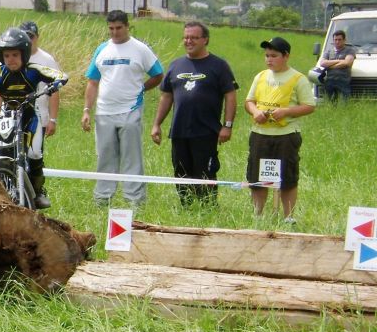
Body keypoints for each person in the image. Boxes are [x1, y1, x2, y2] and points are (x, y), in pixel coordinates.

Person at [0, 27, 68, 209]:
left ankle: (38, 191)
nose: (11, 60)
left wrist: (56, 84)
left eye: (15, 55)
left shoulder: (33, 70)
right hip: (5, 115)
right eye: (7, 55)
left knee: (34, 153)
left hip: (29, 116)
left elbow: (60, 75)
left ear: (24, 55)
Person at [81, 9, 164, 208]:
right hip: (104, 111)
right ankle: (102, 199)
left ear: (127, 26)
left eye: (119, 28)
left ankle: (135, 201)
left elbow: (158, 74)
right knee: (105, 157)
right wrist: (86, 110)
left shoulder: (140, 49)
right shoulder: (102, 49)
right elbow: (93, 82)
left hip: (130, 109)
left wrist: (142, 88)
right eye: (111, 28)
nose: (115, 32)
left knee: (131, 157)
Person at [150, 21, 238, 206]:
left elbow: (230, 96)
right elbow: (166, 96)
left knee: (205, 173)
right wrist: (157, 124)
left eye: (194, 38)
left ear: (205, 40)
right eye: (186, 37)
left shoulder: (219, 66)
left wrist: (227, 125)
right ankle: (187, 206)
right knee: (180, 172)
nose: (189, 41)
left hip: (206, 131)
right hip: (180, 131)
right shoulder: (176, 65)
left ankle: (207, 207)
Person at [245, 37, 315, 224]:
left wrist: (287, 111)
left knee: (288, 177)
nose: (269, 59)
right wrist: (255, 112)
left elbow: (309, 106)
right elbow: (249, 102)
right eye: (267, 56)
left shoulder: (298, 79)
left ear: (286, 56)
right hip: (260, 134)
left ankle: (288, 217)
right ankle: (258, 216)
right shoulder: (260, 77)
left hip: (286, 136)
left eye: (274, 56)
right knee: (257, 177)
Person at [319, 29, 356, 102]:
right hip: (330, 81)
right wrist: (339, 60)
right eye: (335, 40)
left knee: (345, 105)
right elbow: (322, 63)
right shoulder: (329, 51)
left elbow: (347, 63)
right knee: (329, 104)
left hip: (343, 81)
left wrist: (329, 65)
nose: (337, 42)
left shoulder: (350, 50)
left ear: (344, 40)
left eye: (339, 39)